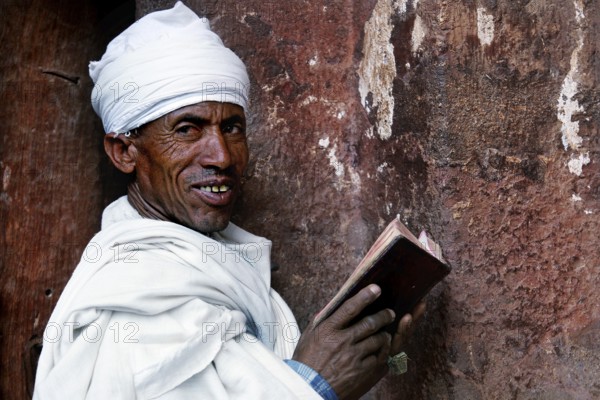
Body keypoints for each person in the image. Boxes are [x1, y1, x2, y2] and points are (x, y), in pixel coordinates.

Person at [33, 2, 425, 399]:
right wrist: (315, 384)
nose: (221, 156)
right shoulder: (129, 308)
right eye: (187, 130)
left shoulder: (213, 268)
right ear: (124, 152)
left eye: (232, 127)